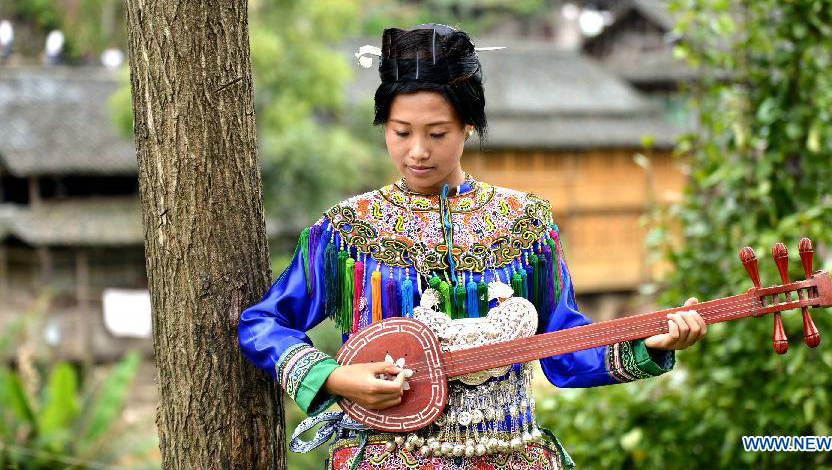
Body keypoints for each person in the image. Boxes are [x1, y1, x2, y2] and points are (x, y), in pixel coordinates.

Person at [238, 24, 707, 469]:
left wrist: (648, 345)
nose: (417, 151)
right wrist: (335, 377)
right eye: (401, 132)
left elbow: (563, 348)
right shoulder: (347, 232)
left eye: (437, 133)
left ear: (468, 127)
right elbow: (263, 323)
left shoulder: (525, 225)